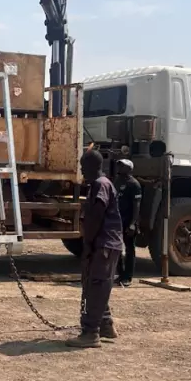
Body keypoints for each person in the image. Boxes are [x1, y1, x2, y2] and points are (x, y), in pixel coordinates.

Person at [67, 148, 123, 348]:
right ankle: (106, 324)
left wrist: (88, 244)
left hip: (103, 244)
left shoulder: (100, 185)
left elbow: (96, 214)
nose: (82, 171)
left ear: (93, 166)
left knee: (96, 286)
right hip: (109, 243)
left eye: (83, 166)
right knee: (98, 284)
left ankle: (91, 333)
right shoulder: (103, 183)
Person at [114, 159, 142, 287]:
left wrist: (132, 224)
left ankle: (128, 277)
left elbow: (136, 206)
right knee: (117, 249)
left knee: (130, 249)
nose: (119, 167)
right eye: (119, 165)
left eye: (122, 166)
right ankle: (120, 274)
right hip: (118, 221)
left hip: (129, 221)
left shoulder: (134, 184)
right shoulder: (117, 181)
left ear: (129, 169)